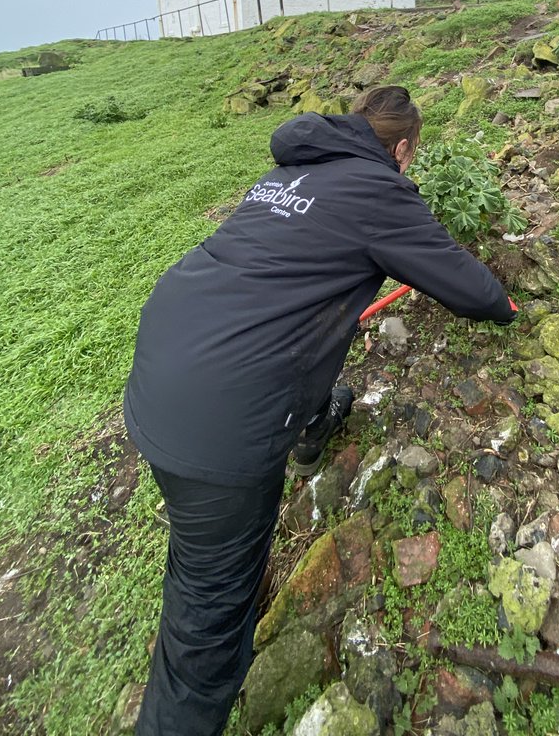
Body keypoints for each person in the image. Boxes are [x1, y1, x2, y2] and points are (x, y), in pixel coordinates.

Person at [123, 85, 517, 736]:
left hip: (166, 361)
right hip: (219, 416)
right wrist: (505, 305)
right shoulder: (378, 188)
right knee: (202, 629)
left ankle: (310, 432)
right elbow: (463, 285)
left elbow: (284, 283)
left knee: (208, 544)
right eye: (410, 157)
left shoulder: (290, 169)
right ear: (401, 148)